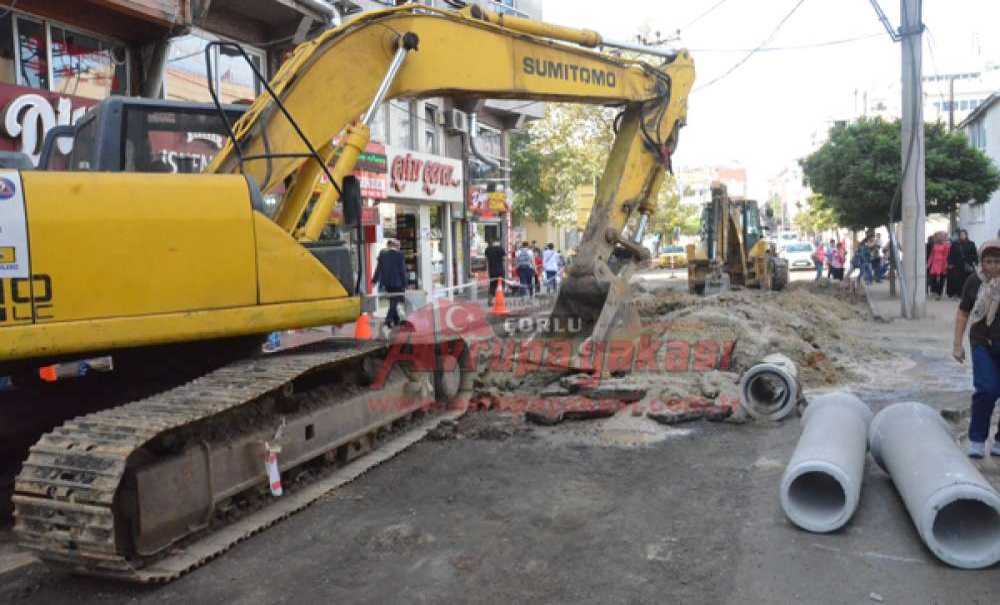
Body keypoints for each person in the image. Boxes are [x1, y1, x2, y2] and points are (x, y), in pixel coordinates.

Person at [953, 240, 1000, 458]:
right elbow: (963, 313)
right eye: (988, 262)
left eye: (997, 262)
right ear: (981, 263)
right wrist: (957, 344)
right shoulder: (974, 281)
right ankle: (977, 439)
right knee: (987, 390)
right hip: (982, 342)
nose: (992, 267)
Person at [372, 238, 407, 329]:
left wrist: (374, 280)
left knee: (393, 300)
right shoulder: (399, 255)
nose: (399, 248)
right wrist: (405, 283)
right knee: (395, 301)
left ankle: (396, 320)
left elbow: (378, 269)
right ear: (396, 246)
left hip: (387, 283)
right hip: (398, 283)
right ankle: (388, 319)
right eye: (399, 246)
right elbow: (402, 271)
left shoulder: (383, 254)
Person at [947, 229, 978, 299]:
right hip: (957, 265)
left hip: (967, 265)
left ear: (966, 235)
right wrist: (950, 263)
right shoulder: (955, 244)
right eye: (961, 235)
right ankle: (958, 294)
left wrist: (975, 262)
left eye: (963, 235)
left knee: (966, 280)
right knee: (957, 280)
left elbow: (974, 254)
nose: (962, 236)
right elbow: (951, 254)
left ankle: (965, 294)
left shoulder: (971, 244)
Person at [927, 231, 951, 300]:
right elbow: (932, 255)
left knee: (941, 279)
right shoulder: (935, 245)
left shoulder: (946, 245)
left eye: (941, 236)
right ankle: (934, 291)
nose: (939, 237)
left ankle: (939, 293)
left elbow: (946, 256)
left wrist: (945, 265)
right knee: (933, 278)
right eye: (938, 236)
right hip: (934, 263)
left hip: (942, 263)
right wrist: (928, 264)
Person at [484, 238, 506, 304]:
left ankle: (490, 301)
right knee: (501, 285)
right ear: (498, 242)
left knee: (492, 285)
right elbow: (504, 259)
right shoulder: (501, 249)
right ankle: (500, 301)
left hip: (492, 271)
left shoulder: (488, 249)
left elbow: (486, 260)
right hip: (500, 270)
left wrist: (487, 270)